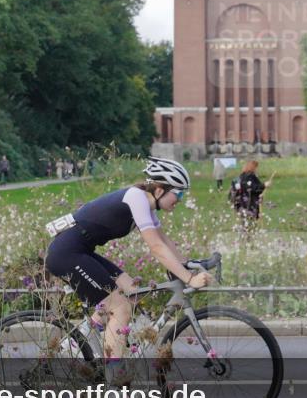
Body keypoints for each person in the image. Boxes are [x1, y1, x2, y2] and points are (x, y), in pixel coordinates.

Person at [44, 157, 211, 366]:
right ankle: (115, 382)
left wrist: (187, 265)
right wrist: (189, 279)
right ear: (159, 190)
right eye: (178, 193)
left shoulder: (146, 203)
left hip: (79, 251)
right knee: (120, 308)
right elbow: (156, 248)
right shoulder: (137, 198)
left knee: (131, 290)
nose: (180, 199)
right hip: (66, 254)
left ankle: (77, 341)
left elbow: (164, 241)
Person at [230, 159, 268, 223]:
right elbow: (252, 188)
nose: (257, 169)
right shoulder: (250, 176)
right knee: (250, 221)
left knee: (245, 221)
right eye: (256, 167)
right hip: (249, 204)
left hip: (240, 204)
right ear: (253, 167)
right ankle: (250, 232)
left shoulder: (241, 176)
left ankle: (246, 231)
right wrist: (264, 185)